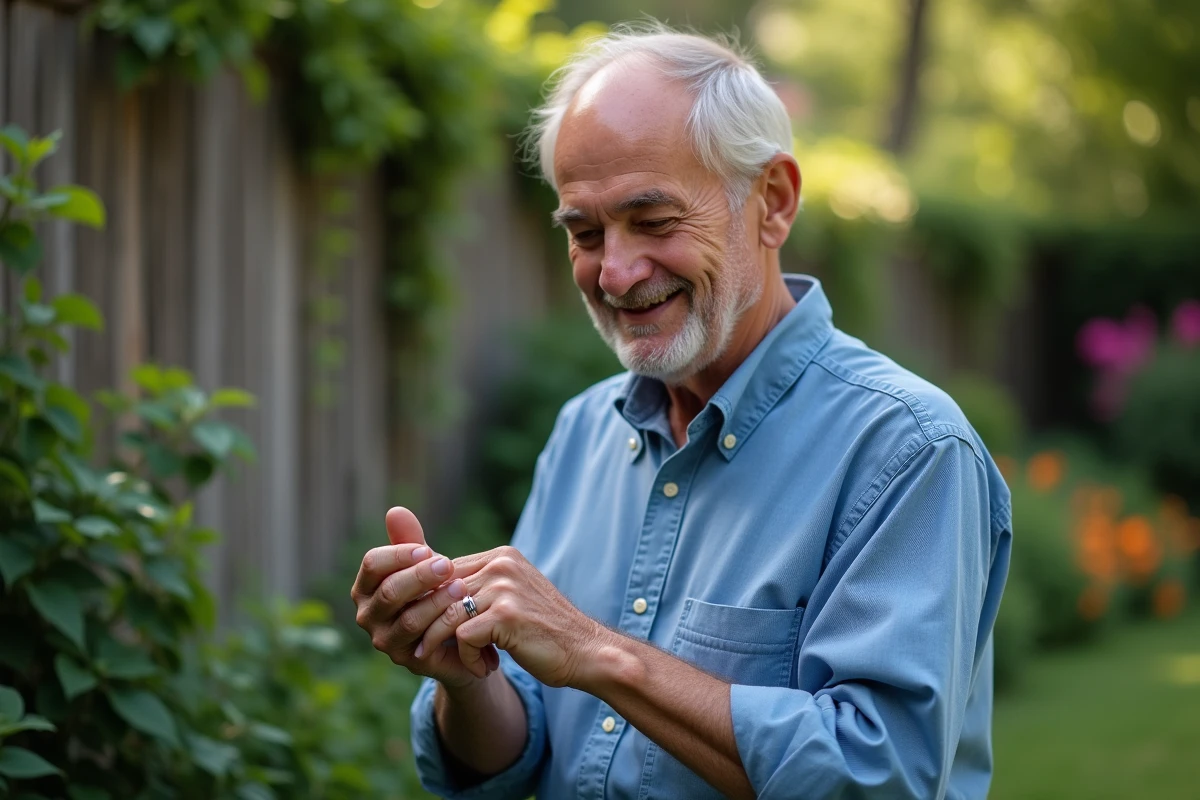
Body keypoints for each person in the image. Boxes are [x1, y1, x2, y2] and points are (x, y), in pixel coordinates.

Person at [351, 23, 1012, 800]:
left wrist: (595, 652)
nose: (618, 273)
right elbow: (520, 751)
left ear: (772, 202)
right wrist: (465, 675)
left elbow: (878, 774)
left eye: (656, 222)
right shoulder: (583, 432)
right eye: (586, 233)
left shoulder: (908, 449)